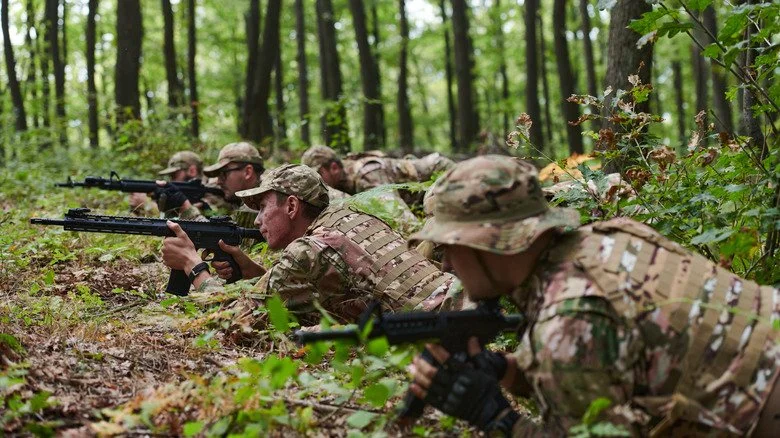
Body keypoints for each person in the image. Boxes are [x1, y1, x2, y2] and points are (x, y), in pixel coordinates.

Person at [405, 155, 779, 436]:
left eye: (448, 247)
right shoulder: (608, 241)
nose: (448, 264)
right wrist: (506, 371)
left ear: (487, 244)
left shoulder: (566, 321)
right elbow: (608, 363)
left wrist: (496, 416)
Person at [160, 164, 463, 328]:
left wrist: (192, 264)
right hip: (462, 302)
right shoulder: (355, 218)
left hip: (443, 330)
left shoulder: (307, 251)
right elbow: (312, 291)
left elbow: (230, 315)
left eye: (263, 208)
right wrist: (255, 271)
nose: (257, 221)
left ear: (291, 206)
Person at [128, 150, 224, 215]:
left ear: (192, 171)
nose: (171, 181)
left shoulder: (212, 190)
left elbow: (194, 217)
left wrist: (146, 204)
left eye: (174, 175)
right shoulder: (189, 193)